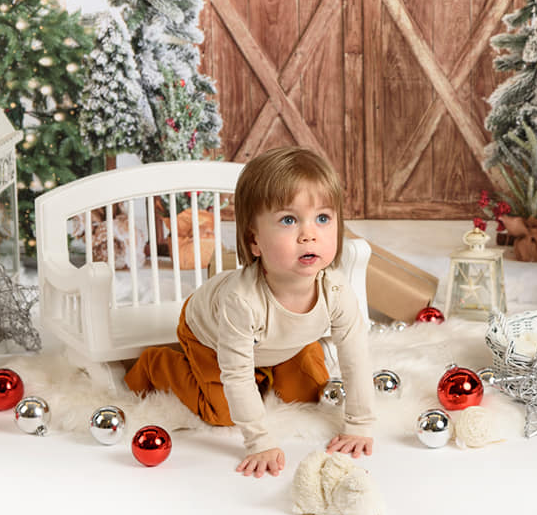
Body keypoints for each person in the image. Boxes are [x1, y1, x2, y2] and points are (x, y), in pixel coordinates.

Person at [125, 146, 375, 478]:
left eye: (323, 218)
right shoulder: (242, 300)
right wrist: (260, 441)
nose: (309, 234)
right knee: (224, 412)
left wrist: (359, 423)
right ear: (254, 240)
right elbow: (236, 373)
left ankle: (278, 364)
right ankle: (158, 364)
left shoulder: (336, 290)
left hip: (276, 342)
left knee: (313, 393)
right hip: (208, 335)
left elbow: (355, 355)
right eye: (289, 220)